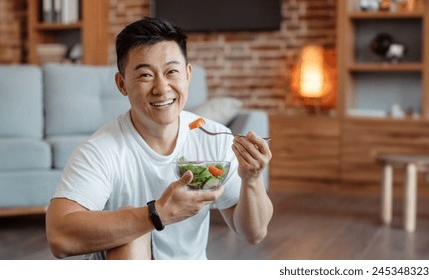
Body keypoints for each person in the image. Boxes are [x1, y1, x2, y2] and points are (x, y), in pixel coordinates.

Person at [45, 17, 273, 260]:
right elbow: (59, 236)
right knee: (131, 231)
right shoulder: (101, 150)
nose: (162, 88)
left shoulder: (213, 138)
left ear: (187, 74)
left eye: (172, 71)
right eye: (145, 75)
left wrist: (252, 179)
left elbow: (254, 233)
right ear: (122, 84)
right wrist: (157, 214)